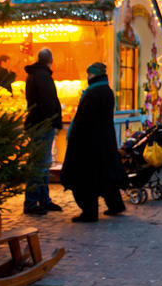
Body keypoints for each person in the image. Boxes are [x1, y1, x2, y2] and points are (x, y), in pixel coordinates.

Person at [61, 62, 128, 222]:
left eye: (89, 74)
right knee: (105, 175)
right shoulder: (106, 90)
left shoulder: (93, 93)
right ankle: (115, 205)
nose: (87, 77)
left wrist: (74, 139)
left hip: (88, 144)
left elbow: (83, 120)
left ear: (93, 75)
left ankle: (89, 212)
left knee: (86, 178)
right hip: (104, 141)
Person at [23, 48, 64, 215]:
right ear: (51, 60)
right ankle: (32, 202)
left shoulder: (34, 75)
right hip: (42, 125)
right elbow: (48, 102)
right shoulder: (43, 76)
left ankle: (43, 199)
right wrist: (54, 121)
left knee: (42, 163)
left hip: (37, 123)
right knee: (40, 164)